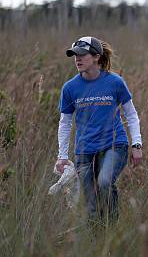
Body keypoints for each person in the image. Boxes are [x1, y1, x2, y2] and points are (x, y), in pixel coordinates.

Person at [55, 36, 143, 224]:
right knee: (91, 204)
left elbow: (131, 115)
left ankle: (111, 228)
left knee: (104, 183)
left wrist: (137, 144)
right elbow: (65, 123)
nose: (77, 59)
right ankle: (98, 241)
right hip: (84, 150)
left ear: (96, 57)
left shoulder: (115, 82)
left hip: (114, 144)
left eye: (82, 55)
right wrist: (62, 156)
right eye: (74, 55)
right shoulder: (70, 88)